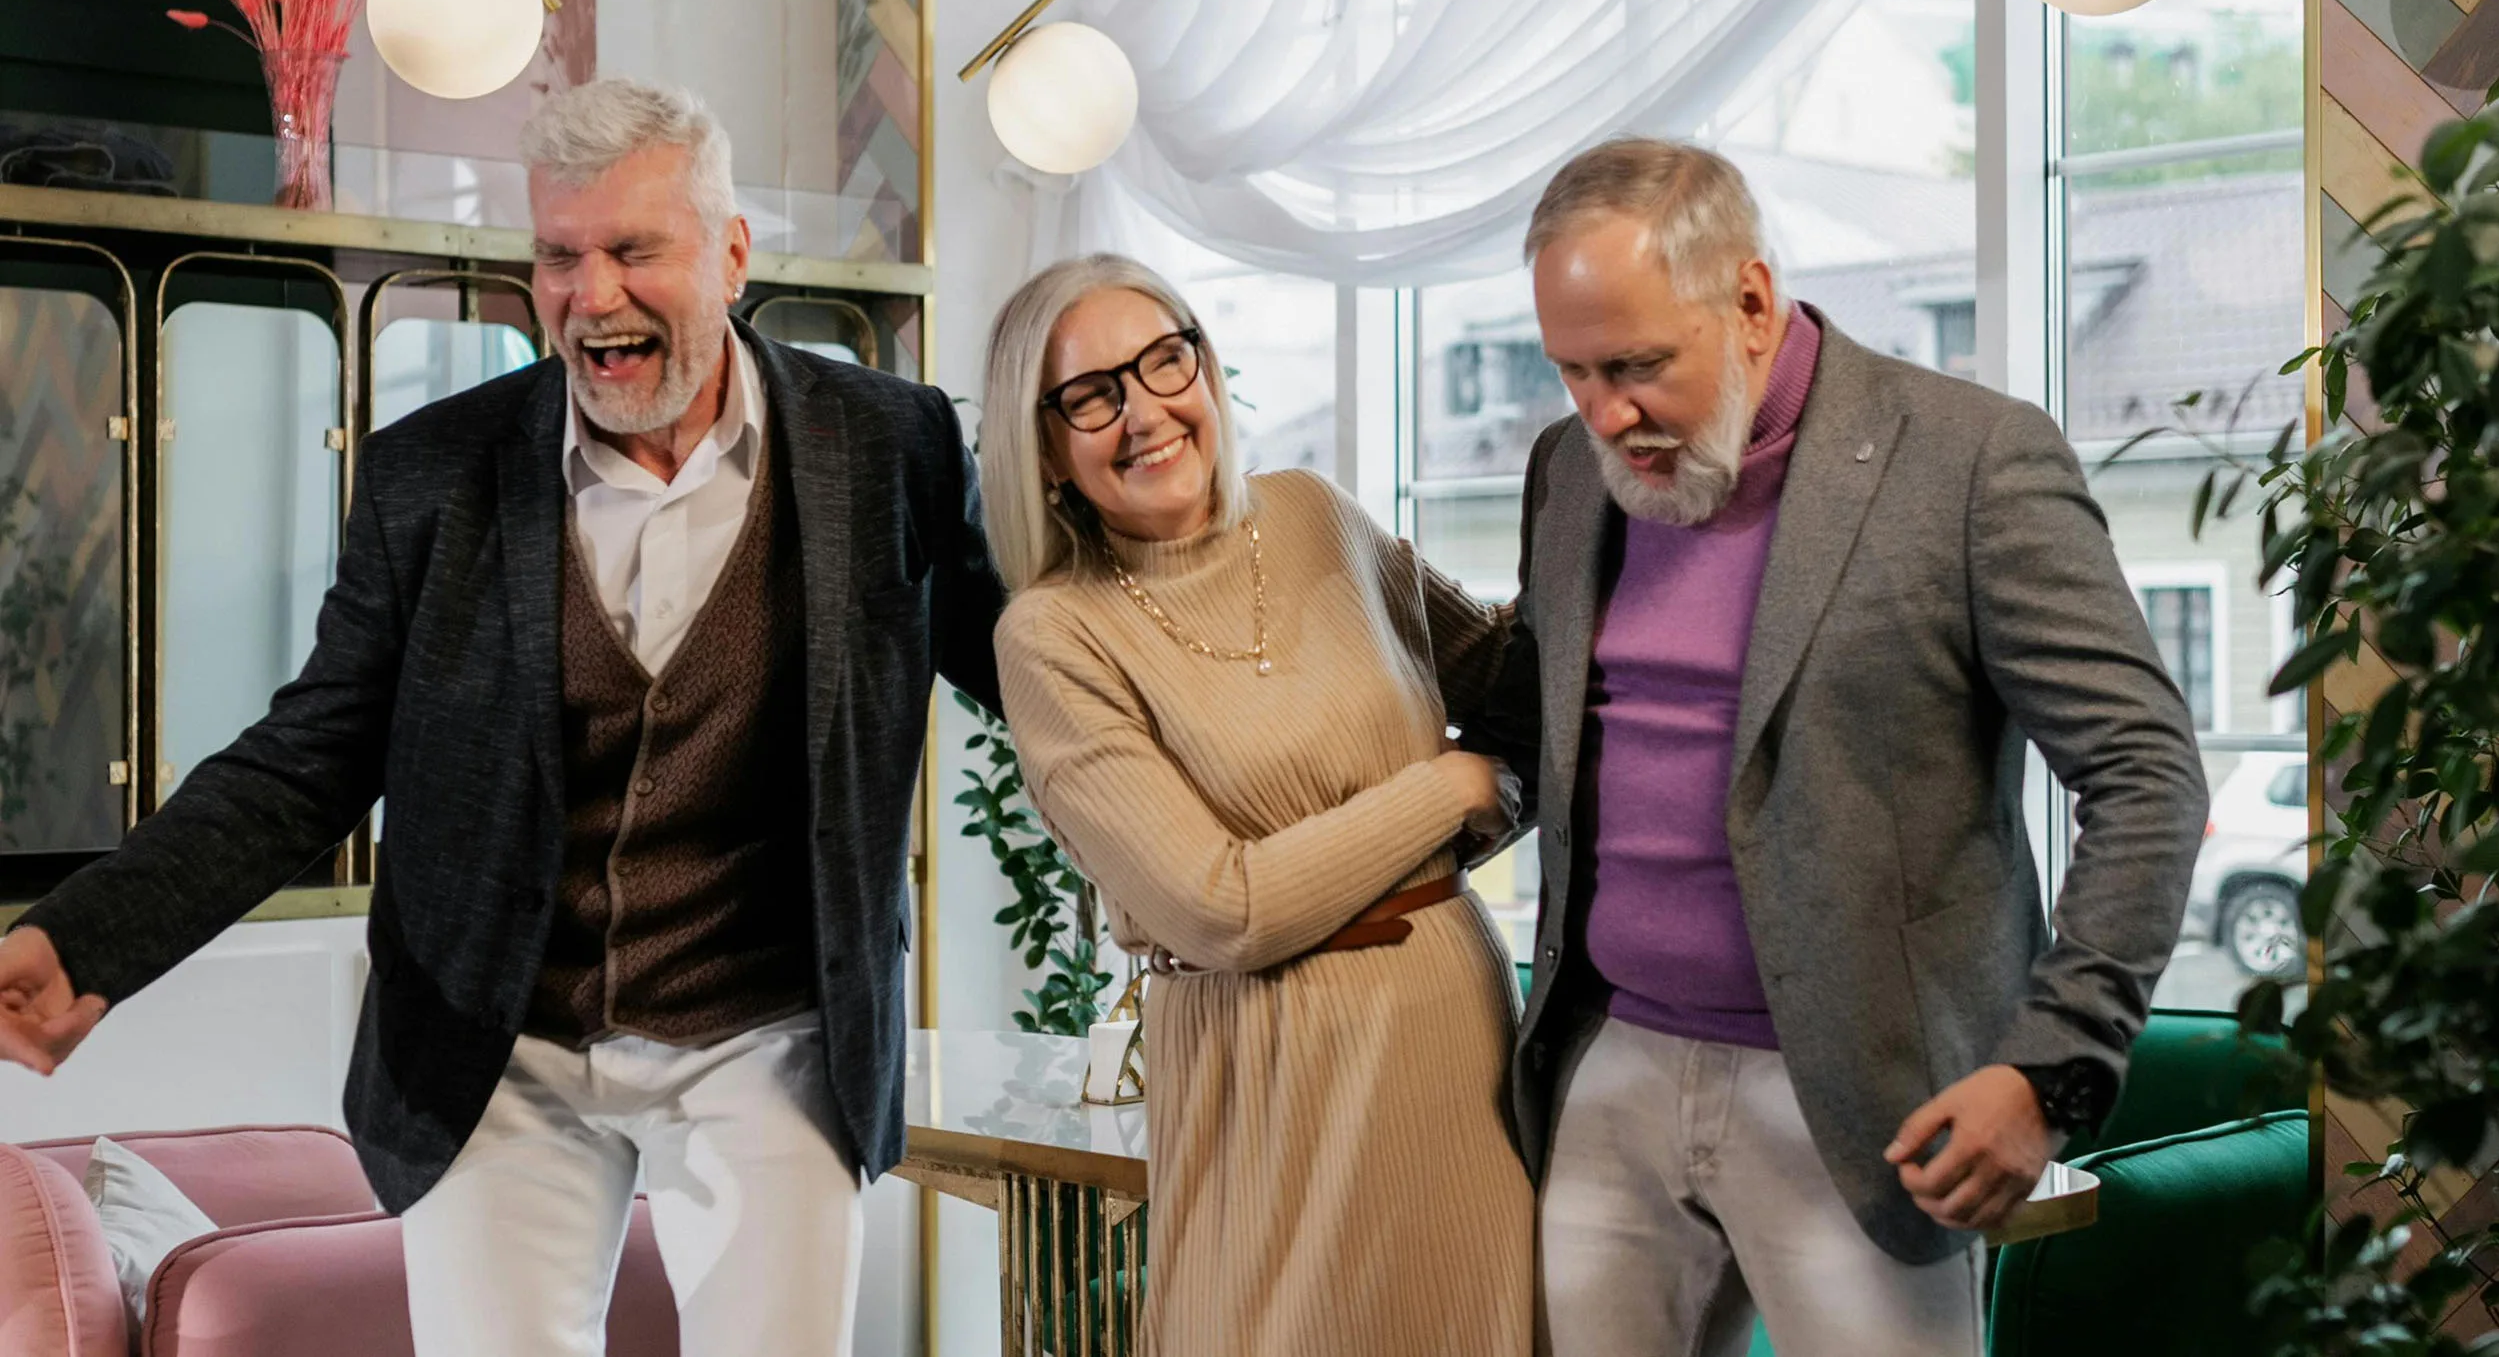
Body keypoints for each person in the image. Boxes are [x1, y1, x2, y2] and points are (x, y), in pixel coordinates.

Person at [0, 78, 1005, 1356]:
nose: (593, 297)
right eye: (559, 255)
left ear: (733, 253)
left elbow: (1020, 657)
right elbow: (305, 760)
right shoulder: (433, 474)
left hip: (767, 1022)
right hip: (498, 1034)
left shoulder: (888, 445)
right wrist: (89, 938)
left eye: (635, 250)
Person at [1465, 139, 2207, 1355]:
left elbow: (2145, 774)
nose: (1607, 414)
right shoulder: (1568, 470)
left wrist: (2049, 1065)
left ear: (1751, 301)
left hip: (1861, 1097)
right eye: (1573, 371)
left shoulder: (1969, 461)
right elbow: (1535, 716)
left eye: (1640, 366)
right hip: (1610, 1065)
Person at [980, 253, 1534, 1357]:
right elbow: (1220, 909)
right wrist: (1449, 785)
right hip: (1270, 1068)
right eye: (1092, 395)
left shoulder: (1315, 515)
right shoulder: (1053, 635)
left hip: (1451, 1036)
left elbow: (1518, 696)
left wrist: (1498, 782)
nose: (1144, 410)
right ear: (1042, 449)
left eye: (1164, 359)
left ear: (1206, 365)